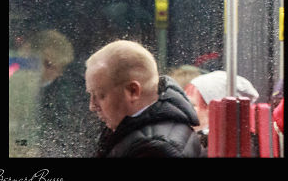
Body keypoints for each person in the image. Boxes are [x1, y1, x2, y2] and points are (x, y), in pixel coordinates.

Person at [85, 40, 205, 157]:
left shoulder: (154, 150)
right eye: (90, 94)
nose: (92, 106)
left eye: (100, 95)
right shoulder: (143, 134)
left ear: (133, 91)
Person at [29, 29, 102, 157]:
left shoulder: (63, 95)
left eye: (61, 67)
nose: (57, 72)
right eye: (47, 64)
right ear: (30, 54)